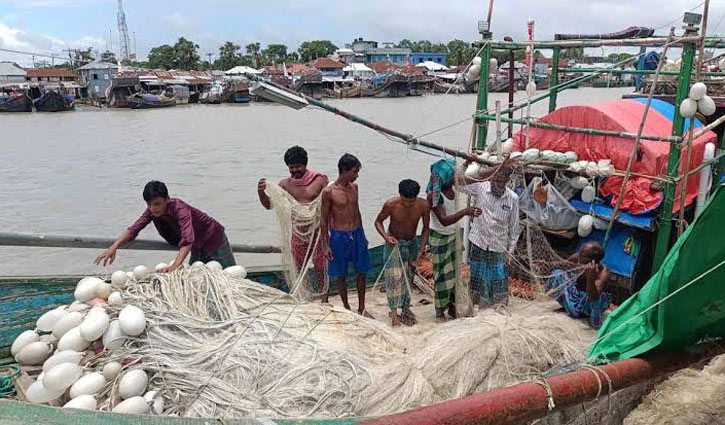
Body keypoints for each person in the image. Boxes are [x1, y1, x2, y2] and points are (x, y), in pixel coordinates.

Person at [94, 181, 235, 272]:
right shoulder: (151, 212)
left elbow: (187, 239)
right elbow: (134, 229)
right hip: (196, 246)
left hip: (213, 239)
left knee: (230, 273)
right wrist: (114, 247)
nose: (153, 208)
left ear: (167, 199)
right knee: (196, 274)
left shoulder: (180, 208)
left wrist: (175, 266)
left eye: (157, 204)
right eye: (149, 204)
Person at [258, 146, 329, 300]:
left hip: (317, 233)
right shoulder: (284, 185)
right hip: (298, 232)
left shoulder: (320, 180)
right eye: (291, 168)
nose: (295, 170)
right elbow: (270, 205)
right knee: (297, 267)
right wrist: (261, 193)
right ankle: (302, 296)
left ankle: (324, 297)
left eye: (298, 167)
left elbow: (330, 203)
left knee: (321, 266)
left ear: (305, 164)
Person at [426, 159, 482, 321]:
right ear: (445, 178)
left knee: (455, 276)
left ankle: (452, 308)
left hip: (454, 236)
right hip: (440, 239)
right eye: (452, 176)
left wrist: (468, 161)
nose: (455, 178)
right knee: (442, 277)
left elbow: (470, 176)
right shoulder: (435, 196)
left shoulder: (453, 186)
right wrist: (464, 211)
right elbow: (443, 220)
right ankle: (439, 311)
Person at [460, 162, 520, 309]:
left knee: (498, 277)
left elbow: (514, 228)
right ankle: (475, 305)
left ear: (507, 181)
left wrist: (510, 252)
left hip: (498, 245)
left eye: (499, 181)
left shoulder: (512, 199)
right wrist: (465, 165)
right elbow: (460, 183)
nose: (495, 184)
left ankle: (498, 306)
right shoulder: (481, 187)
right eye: (494, 180)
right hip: (479, 241)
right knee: (477, 275)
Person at [321, 153, 373, 317]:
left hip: (356, 233)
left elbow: (357, 212)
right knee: (341, 274)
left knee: (361, 272)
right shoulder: (329, 192)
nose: (356, 175)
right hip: (339, 236)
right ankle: (346, 306)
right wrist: (326, 244)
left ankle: (362, 307)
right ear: (344, 170)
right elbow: (323, 219)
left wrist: (363, 234)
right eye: (355, 172)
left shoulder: (354, 188)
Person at [374, 179, 430, 326]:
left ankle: (405, 309)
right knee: (393, 278)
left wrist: (422, 248)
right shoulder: (391, 205)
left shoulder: (423, 205)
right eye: (405, 201)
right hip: (394, 243)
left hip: (412, 243)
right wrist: (386, 237)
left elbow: (425, 228)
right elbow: (378, 222)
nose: (408, 204)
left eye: (412, 201)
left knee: (408, 276)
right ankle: (393, 313)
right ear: (400, 195)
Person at [546, 241, 611, 329]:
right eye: (580, 252)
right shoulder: (577, 258)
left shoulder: (603, 271)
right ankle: (569, 307)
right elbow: (563, 265)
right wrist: (546, 263)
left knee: (599, 296)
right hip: (576, 294)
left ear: (593, 260)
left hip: (590, 301)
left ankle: (595, 321)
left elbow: (594, 296)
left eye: (582, 255)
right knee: (557, 274)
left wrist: (590, 278)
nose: (579, 256)